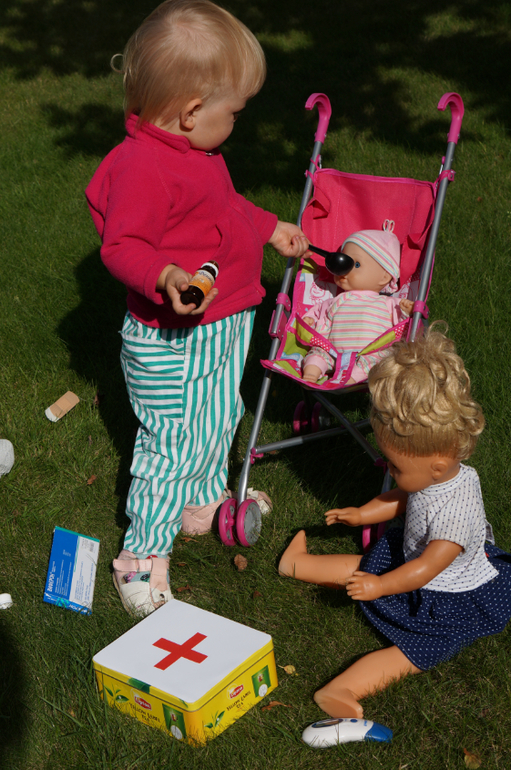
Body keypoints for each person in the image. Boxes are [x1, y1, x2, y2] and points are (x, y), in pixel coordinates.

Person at [86, 0, 309, 617]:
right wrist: (164, 275)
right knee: (173, 441)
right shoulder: (142, 167)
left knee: (218, 416)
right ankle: (140, 555)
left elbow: (225, 207)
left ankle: (202, 503)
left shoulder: (197, 153)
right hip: (174, 339)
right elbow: (122, 245)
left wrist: (268, 228)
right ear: (190, 112)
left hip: (223, 324)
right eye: (233, 111)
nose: (236, 121)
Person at [279, 326, 511, 720]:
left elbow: (427, 569)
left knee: (416, 650)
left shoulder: (455, 516)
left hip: (443, 596)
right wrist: (362, 514)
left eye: (396, 466)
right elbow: (404, 497)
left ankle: (341, 689)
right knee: (365, 566)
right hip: (412, 560)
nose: (389, 470)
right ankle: (296, 564)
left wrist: (381, 586)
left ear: (436, 465)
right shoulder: (435, 475)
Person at [302, 225, 412, 386]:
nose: (344, 270)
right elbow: (321, 316)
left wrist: (406, 311)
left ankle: (349, 379)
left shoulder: (388, 303)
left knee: (383, 359)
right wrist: (310, 322)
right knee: (318, 353)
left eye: (357, 265)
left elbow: (401, 327)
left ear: (384, 277)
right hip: (334, 353)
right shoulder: (336, 300)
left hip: (370, 354)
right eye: (342, 262)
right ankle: (311, 374)